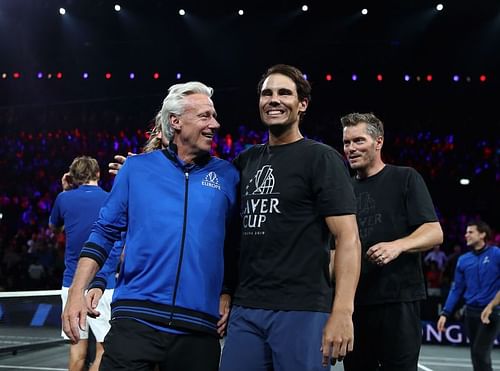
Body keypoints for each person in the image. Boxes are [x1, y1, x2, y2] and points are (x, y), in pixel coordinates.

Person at [62, 81, 239, 371]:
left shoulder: (228, 175)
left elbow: (233, 244)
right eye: (205, 116)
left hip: (197, 328)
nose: (215, 124)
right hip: (135, 320)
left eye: (214, 115)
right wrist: (78, 292)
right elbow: (104, 233)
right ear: (176, 121)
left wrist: (228, 290)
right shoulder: (137, 169)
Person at [219, 64, 361, 371]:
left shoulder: (321, 158)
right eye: (267, 93)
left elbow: (347, 237)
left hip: (303, 307)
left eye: (285, 93)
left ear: (302, 104)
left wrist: (342, 311)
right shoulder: (245, 160)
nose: (274, 99)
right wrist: (227, 291)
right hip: (247, 307)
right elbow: (230, 235)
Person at [340, 112, 444, 371]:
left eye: (359, 141)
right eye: (346, 142)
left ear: (378, 142)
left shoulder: (405, 178)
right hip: (355, 304)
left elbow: (434, 231)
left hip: (398, 301)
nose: (351, 148)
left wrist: (397, 245)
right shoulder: (342, 189)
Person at [49, 156, 119, 371]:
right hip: (102, 283)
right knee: (103, 350)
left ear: (72, 176)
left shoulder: (63, 199)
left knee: (77, 351)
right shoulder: (109, 198)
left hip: (71, 284)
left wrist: (64, 191)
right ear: (98, 174)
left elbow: (54, 229)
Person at [437, 220, 500, 371]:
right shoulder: (463, 260)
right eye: (466, 232)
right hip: (471, 313)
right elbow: (457, 289)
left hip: (491, 312)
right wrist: (445, 313)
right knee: (476, 354)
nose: (466, 235)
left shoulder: (496, 254)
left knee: (480, 352)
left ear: (482, 234)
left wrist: (492, 305)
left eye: (470, 232)